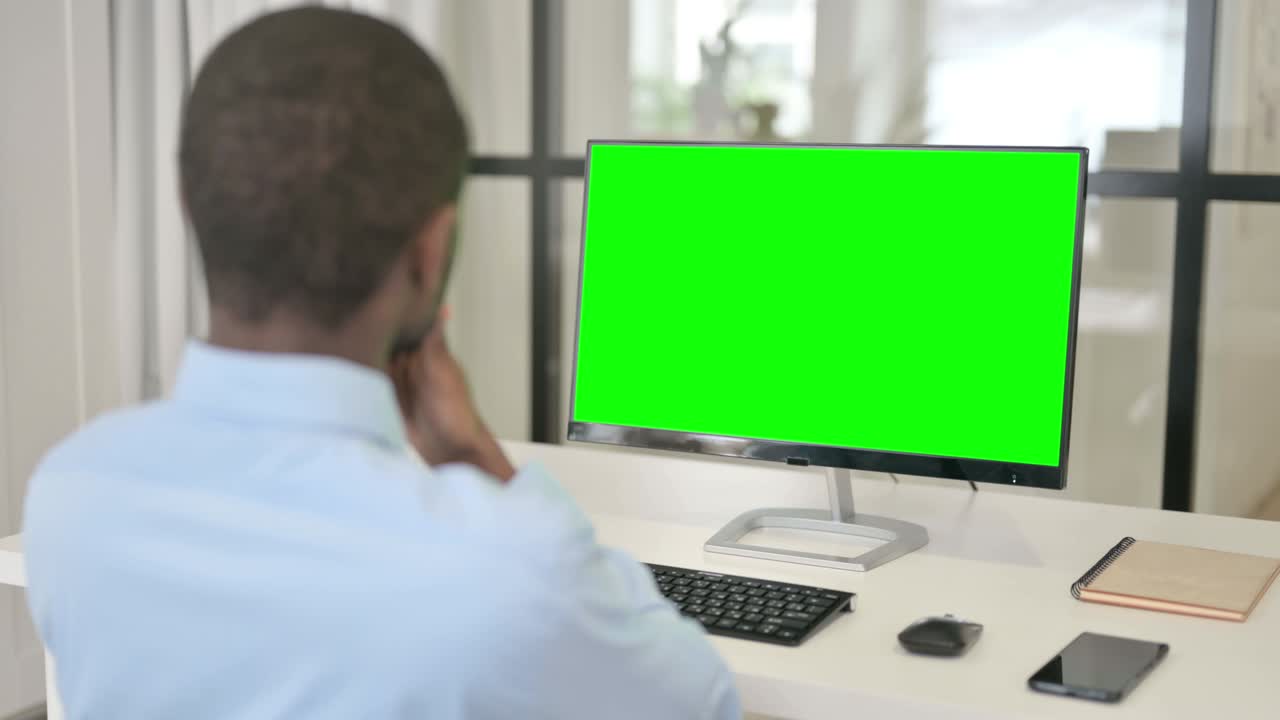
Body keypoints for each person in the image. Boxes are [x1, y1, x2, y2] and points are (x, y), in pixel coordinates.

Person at [22, 7, 740, 719]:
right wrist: (481, 460)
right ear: (431, 256)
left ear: (190, 210)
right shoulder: (506, 571)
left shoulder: (72, 492)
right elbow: (701, 700)